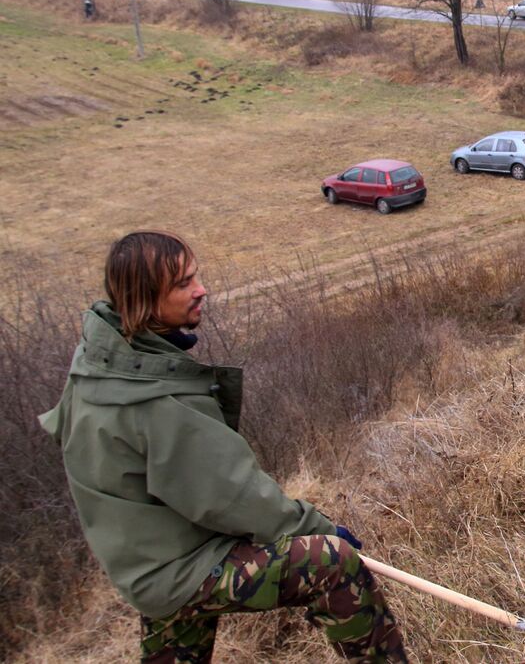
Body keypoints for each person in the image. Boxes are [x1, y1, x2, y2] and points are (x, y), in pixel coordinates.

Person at [39, 231, 407, 663]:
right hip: (177, 565)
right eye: (183, 284)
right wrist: (319, 530)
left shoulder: (99, 360)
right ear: (143, 300)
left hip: (149, 556)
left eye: (195, 276)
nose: (202, 290)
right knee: (332, 563)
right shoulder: (156, 402)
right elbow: (234, 497)